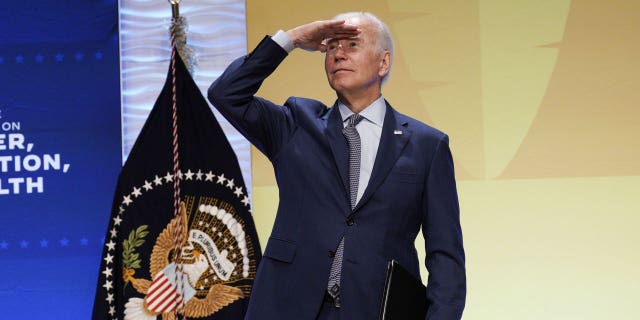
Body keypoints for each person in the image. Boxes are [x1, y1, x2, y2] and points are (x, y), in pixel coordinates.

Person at [208, 11, 465, 320]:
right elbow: (226, 93)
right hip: (288, 306)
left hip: (375, 309)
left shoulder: (427, 145)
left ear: (383, 62)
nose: (339, 54)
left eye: (352, 45)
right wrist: (292, 38)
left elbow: (445, 254)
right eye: (331, 46)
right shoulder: (295, 124)